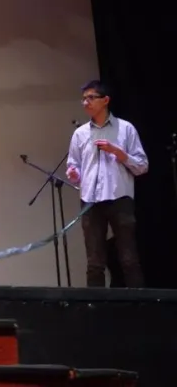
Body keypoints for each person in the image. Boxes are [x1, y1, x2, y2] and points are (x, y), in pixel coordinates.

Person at [65, 80, 147, 288]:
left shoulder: (125, 129)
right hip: (90, 202)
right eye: (83, 99)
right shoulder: (80, 133)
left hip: (120, 199)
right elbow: (74, 166)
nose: (86, 103)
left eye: (91, 98)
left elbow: (142, 166)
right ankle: (94, 306)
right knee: (94, 262)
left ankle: (139, 304)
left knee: (128, 258)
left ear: (105, 100)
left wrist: (119, 153)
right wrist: (74, 173)